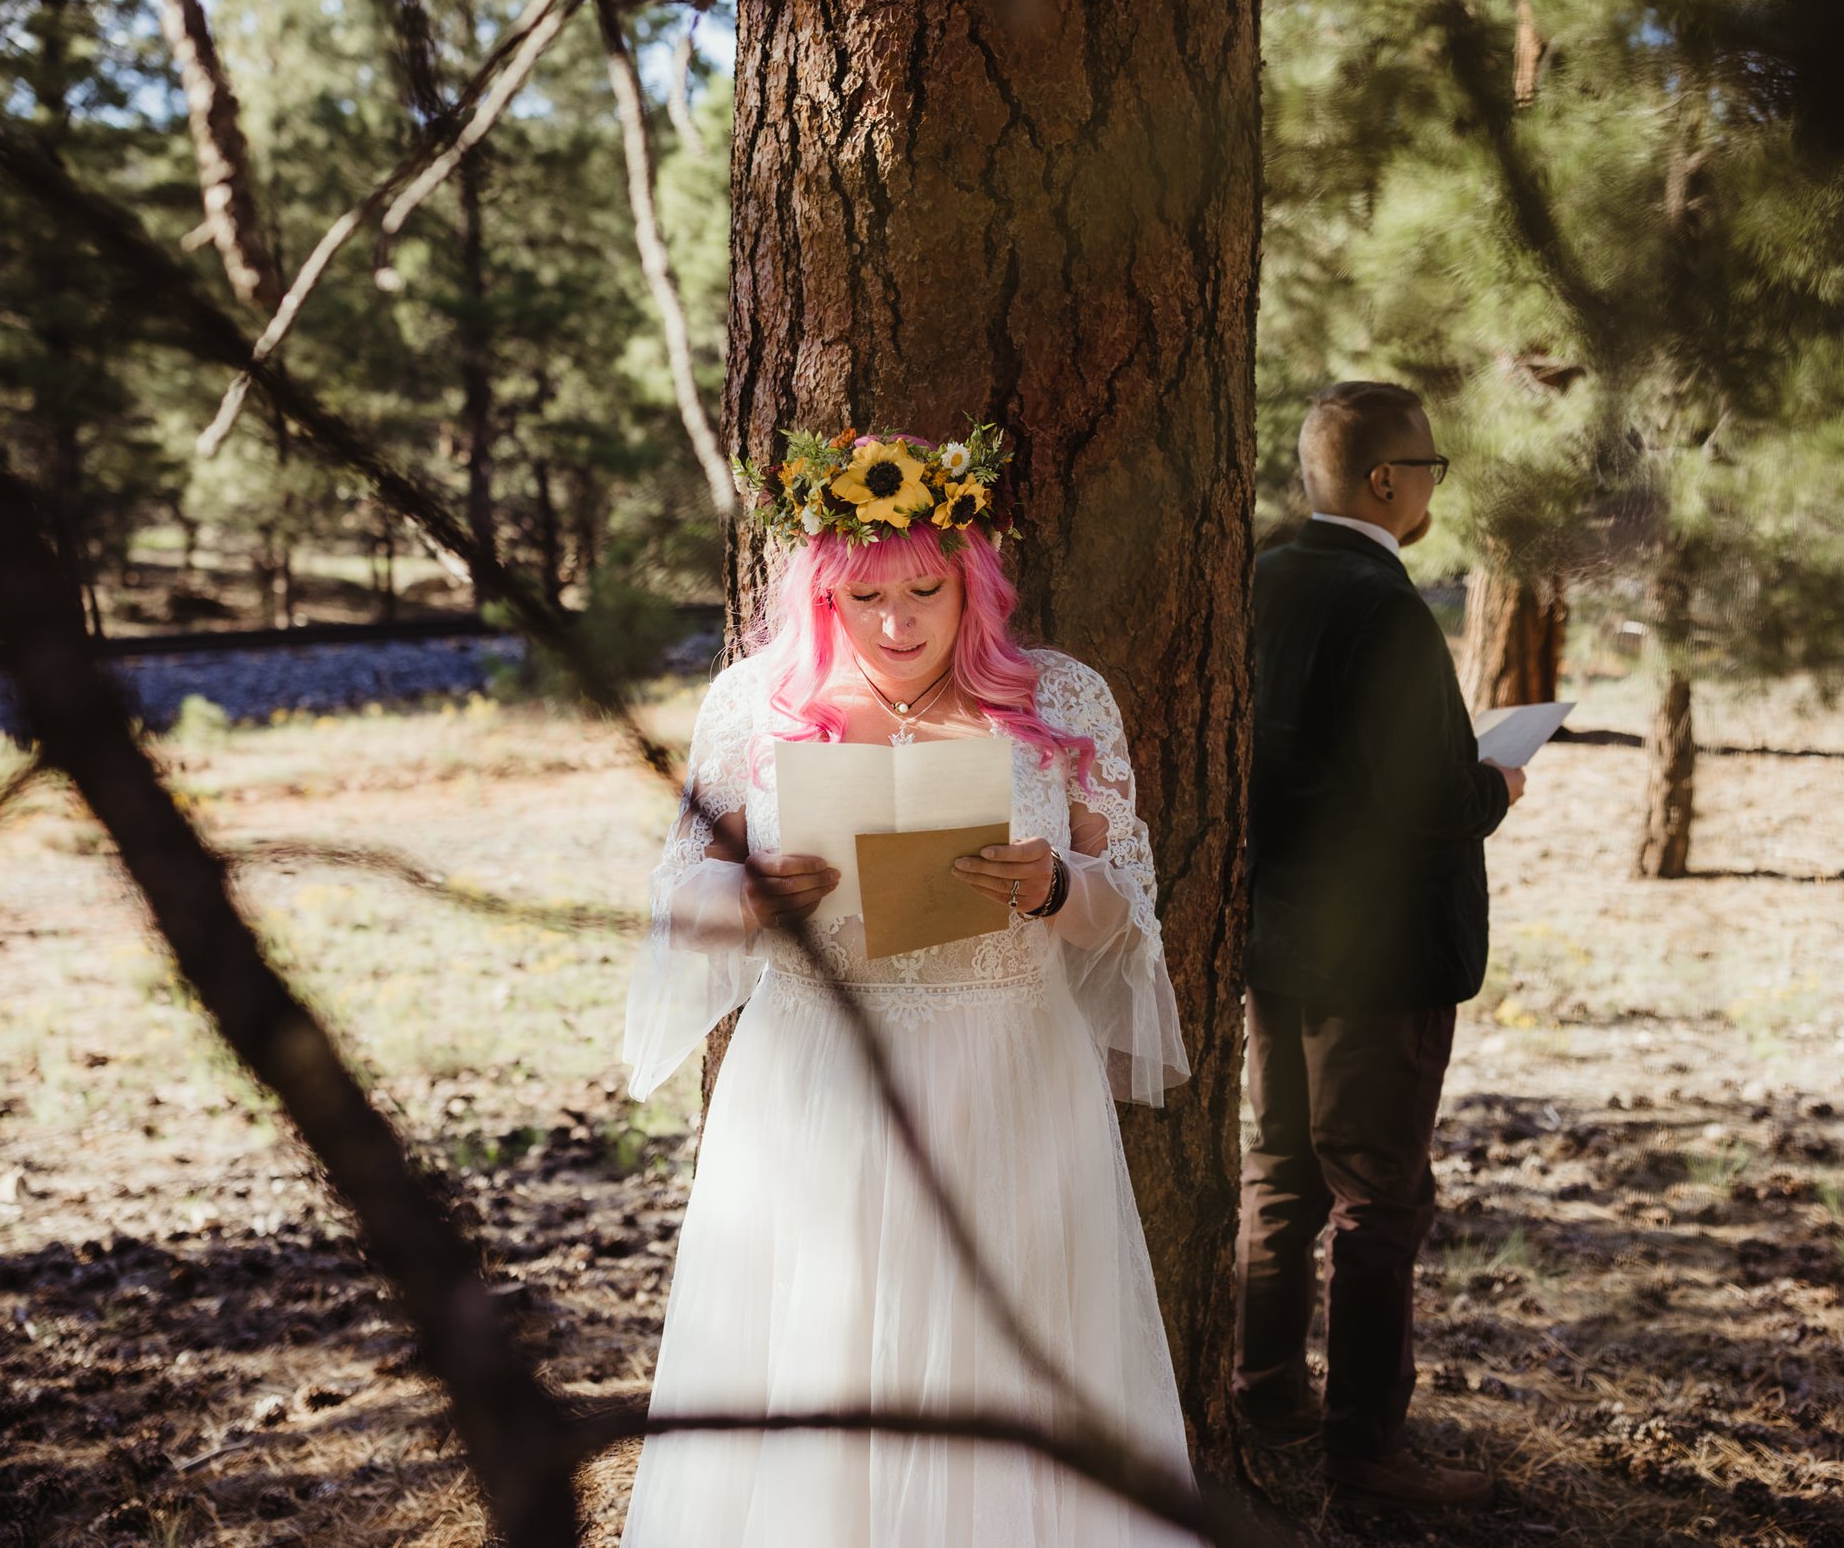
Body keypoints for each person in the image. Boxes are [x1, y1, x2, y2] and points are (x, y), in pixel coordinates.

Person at [617, 425, 1195, 1547]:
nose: (897, 623)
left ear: (971, 581)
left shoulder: (1062, 700)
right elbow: (675, 903)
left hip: (1010, 1075)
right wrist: (749, 897)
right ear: (820, 595)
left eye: (925, 589)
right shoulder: (752, 705)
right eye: (866, 597)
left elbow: (1128, 906)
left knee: (1014, 1349)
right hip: (817, 1079)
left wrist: (1050, 885)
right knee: (817, 1349)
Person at [1233, 382, 1527, 1509]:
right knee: (1377, 1201)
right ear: (1386, 482)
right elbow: (1424, 793)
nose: (1432, 489)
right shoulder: (1383, 601)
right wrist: (1492, 778)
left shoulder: (1262, 575)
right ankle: (1365, 1452)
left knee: (1280, 1180)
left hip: (1277, 933)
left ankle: (1262, 1394)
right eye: (1430, 470)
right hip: (1378, 953)